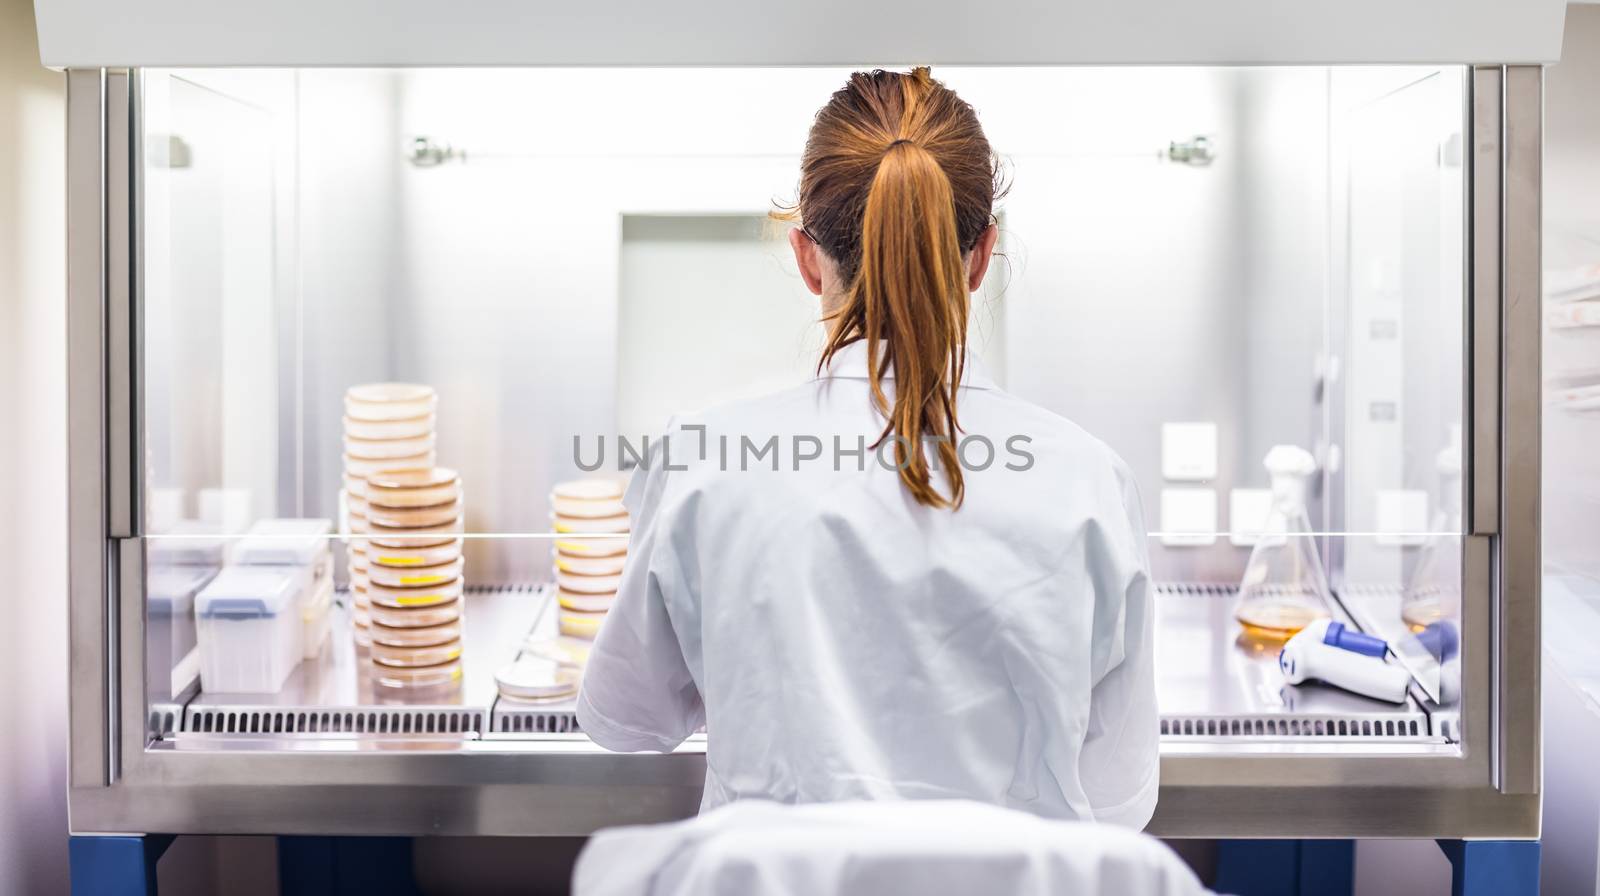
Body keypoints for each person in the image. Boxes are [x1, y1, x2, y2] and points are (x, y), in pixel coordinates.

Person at [577, 67, 1158, 828]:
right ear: (983, 256)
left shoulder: (704, 462)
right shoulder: (1087, 480)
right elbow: (1118, 798)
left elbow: (628, 719)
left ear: (806, 256)